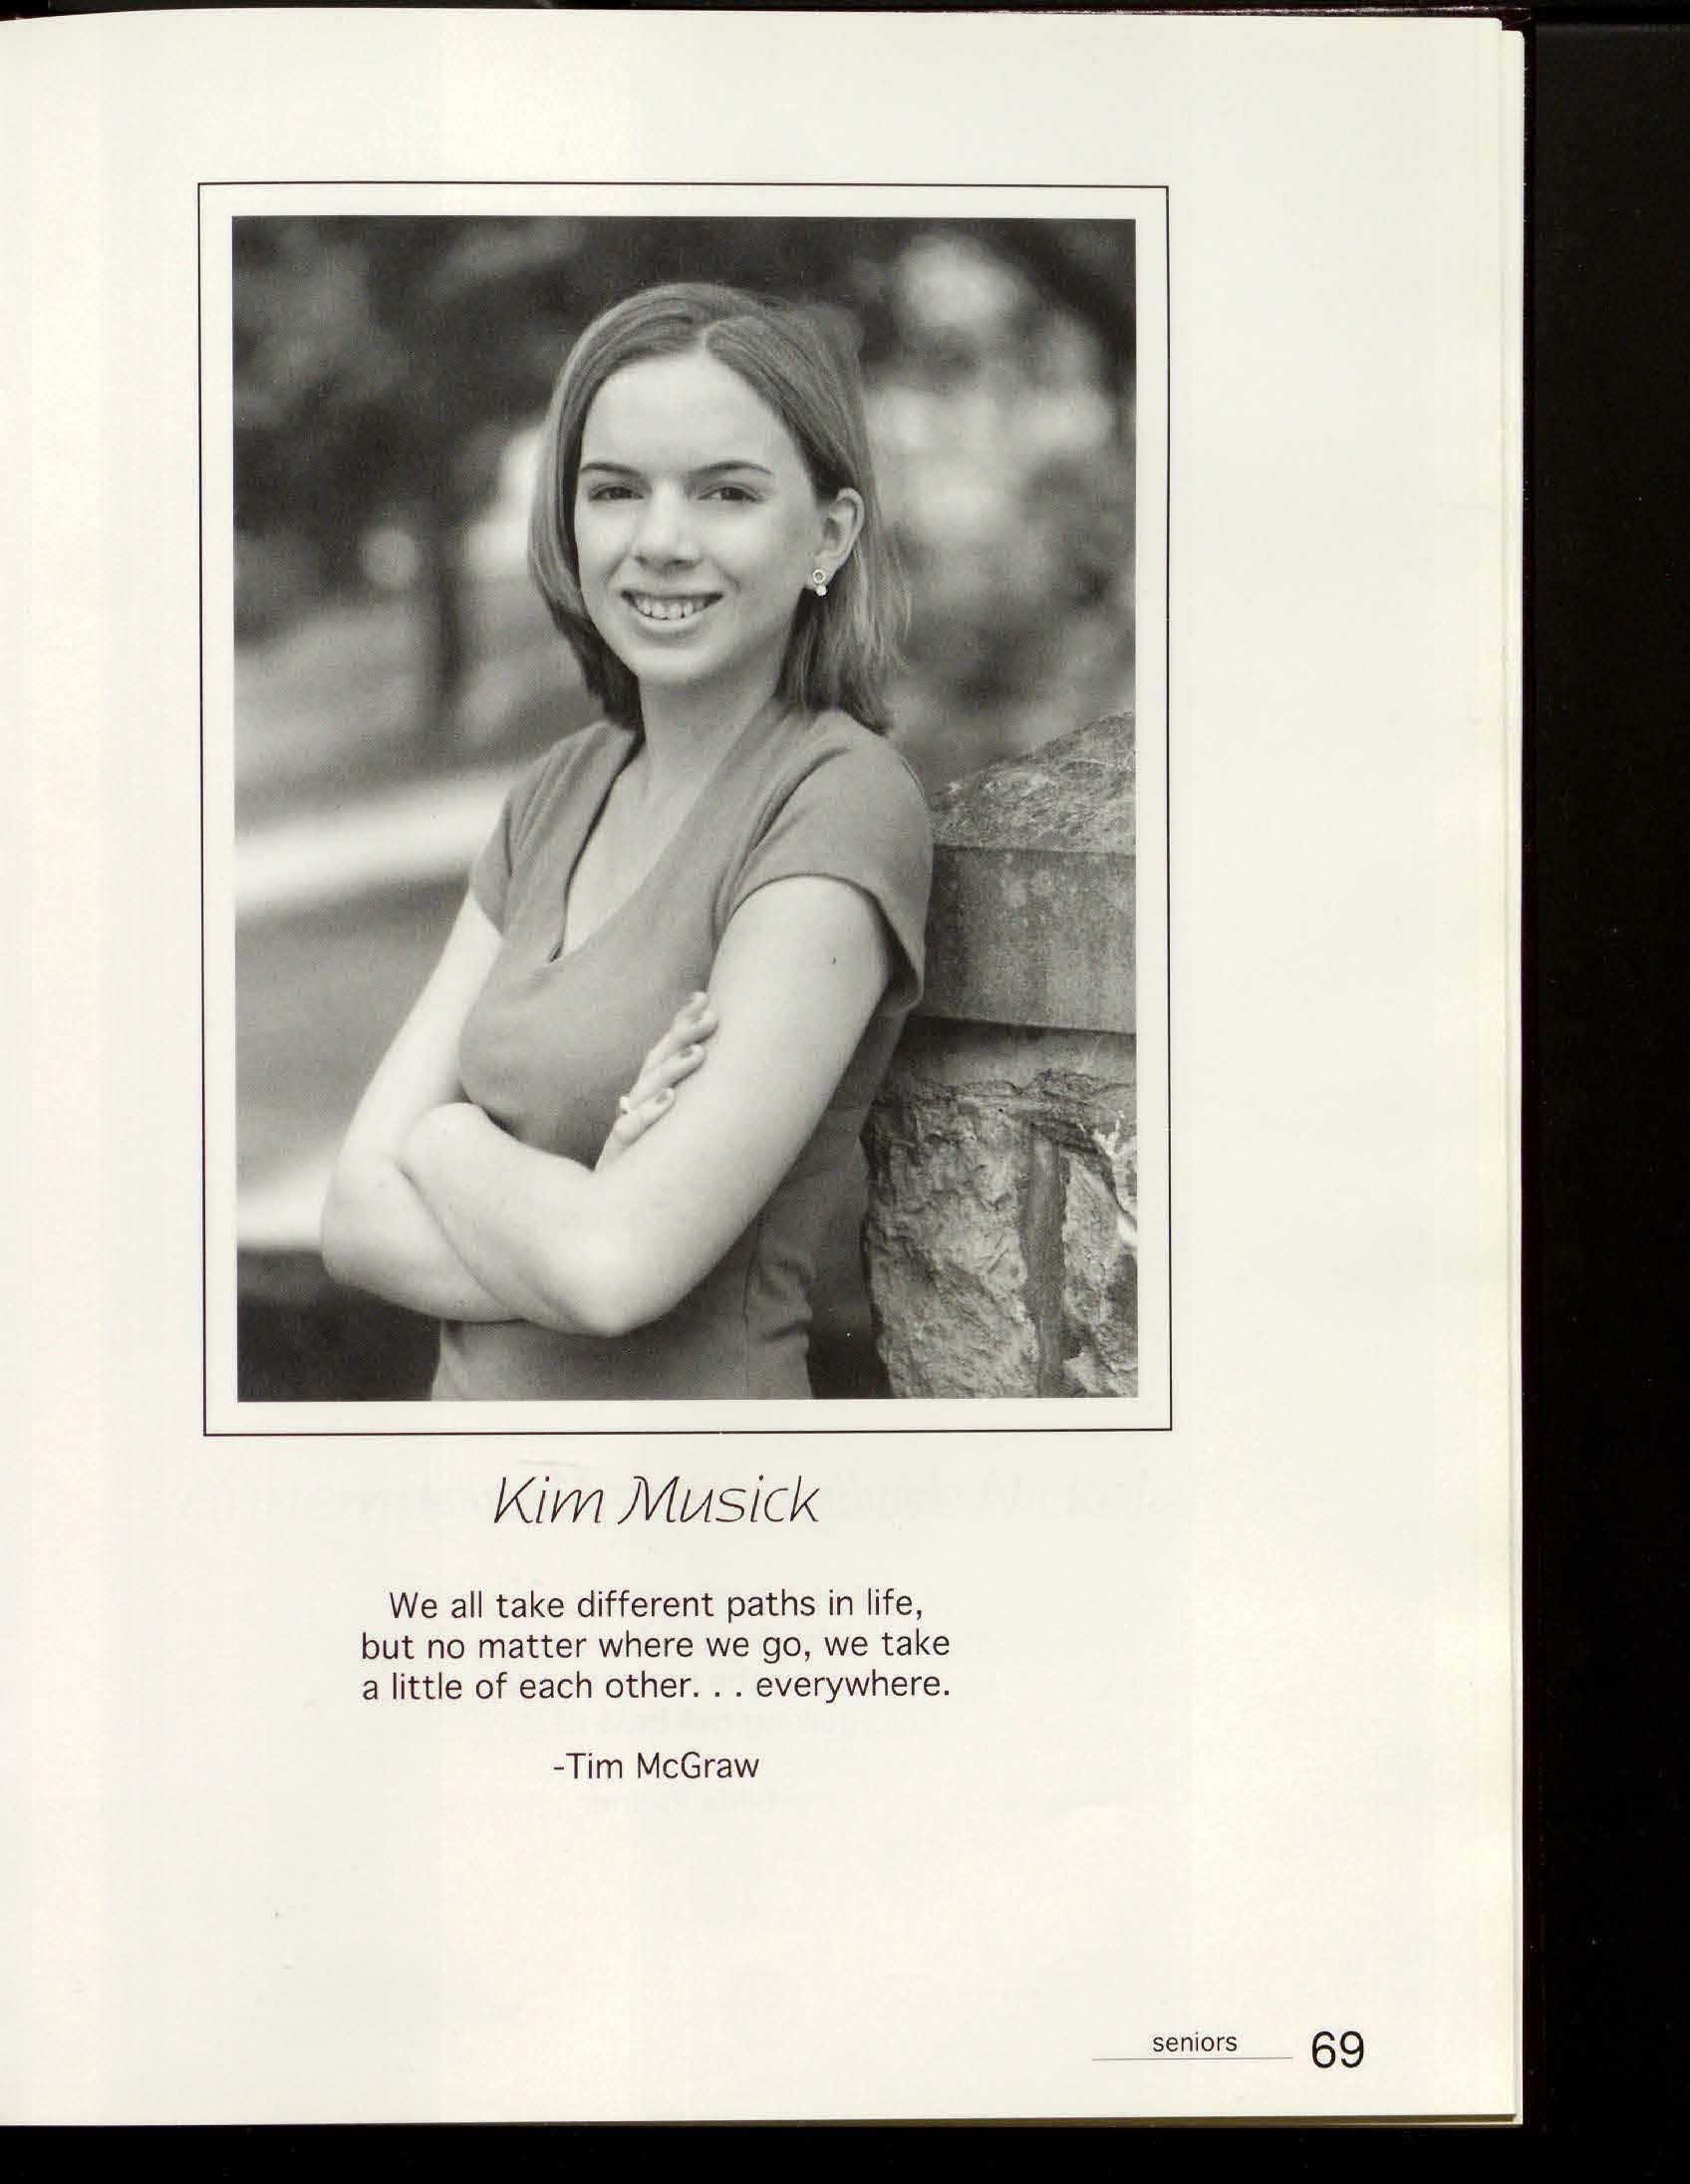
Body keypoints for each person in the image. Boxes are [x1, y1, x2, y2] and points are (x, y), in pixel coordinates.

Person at [321, 283, 934, 1400]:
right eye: (614, 491)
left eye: (726, 492)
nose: (661, 541)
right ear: (570, 522)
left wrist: (446, 1143)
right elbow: (354, 1220)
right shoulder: (554, 792)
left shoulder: (838, 801)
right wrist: (568, 1220)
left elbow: (614, 1272)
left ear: (829, 534)